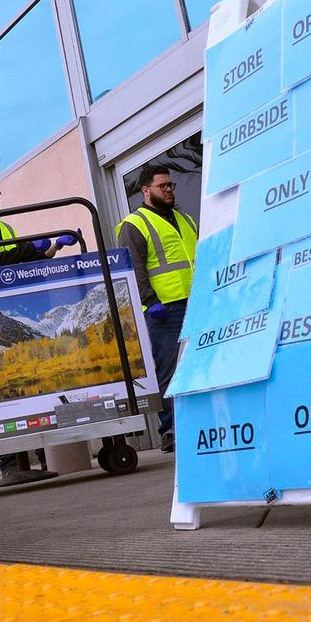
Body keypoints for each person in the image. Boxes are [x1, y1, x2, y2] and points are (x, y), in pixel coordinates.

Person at [0, 166, 77, 485]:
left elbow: (21, 261)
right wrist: (31, 247)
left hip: (8, 310)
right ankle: (9, 463)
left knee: (26, 387)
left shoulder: (4, 226)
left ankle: (34, 455)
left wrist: (51, 248)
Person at [115, 165, 198, 454]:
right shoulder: (134, 224)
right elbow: (133, 267)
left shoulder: (185, 219)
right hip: (165, 310)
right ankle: (171, 430)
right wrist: (150, 301)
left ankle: (198, 423)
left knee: (198, 363)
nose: (169, 190)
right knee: (169, 369)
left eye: (171, 185)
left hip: (196, 302)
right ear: (146, 190)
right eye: (162, 186)